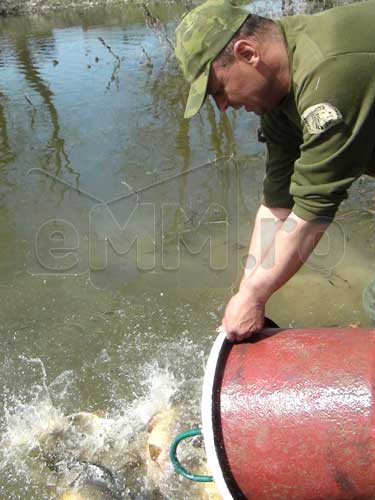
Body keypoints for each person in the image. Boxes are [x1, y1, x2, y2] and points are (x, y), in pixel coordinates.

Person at [174, 0, 375, 342]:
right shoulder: (278, 96)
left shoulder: (327, 77)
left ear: (248, 53)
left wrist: (256, 296)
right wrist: (246, 291)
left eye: (218, 90)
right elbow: (278, 202)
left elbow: (313, 211)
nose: (222, 107)